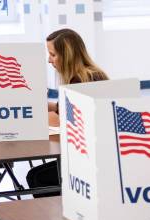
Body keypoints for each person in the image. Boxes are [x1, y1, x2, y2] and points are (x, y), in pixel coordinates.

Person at [27, 29, 108, 196]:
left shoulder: (79, 81)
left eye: (53, 55)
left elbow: (63, 121)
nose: (49, 60)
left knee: (36, 177)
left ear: (67, 56)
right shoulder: (93, 74)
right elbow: (62, 109)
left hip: (90, 160)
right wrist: (45, 106)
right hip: (100, 156)